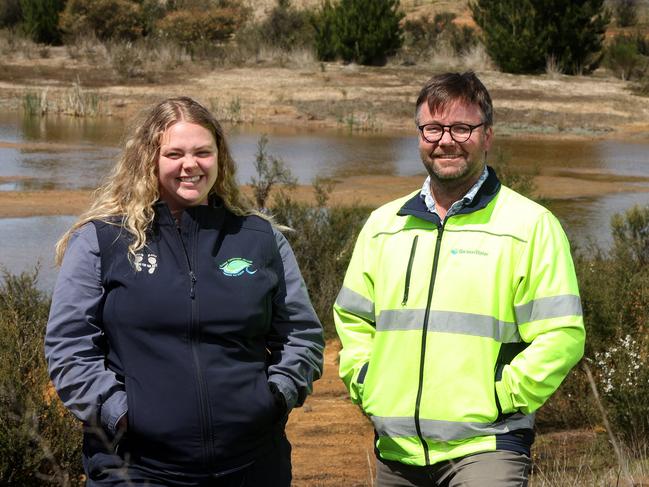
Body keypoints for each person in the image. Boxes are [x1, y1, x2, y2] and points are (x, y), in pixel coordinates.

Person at [45, 96, 324, 486]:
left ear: (219, 157)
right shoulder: (102, 240)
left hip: (252, 464)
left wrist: (275, 397)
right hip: (137, 468)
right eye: (174, 153)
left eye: (202, 152)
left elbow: (301, 335)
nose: (189, 165)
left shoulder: (260, 238)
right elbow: (69, 346)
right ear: (149, 160)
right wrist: (121, 413)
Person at [333, 72, 585, 486]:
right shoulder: (383, 225)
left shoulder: (530, 225)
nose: (445, 140)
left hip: (487, 446)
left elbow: (562, 336)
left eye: (462, 128)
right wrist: (366, 383)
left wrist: (500, 397)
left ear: (487, 136)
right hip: (396, 449)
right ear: (419, 136)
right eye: (432, 128)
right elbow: (353, 319)